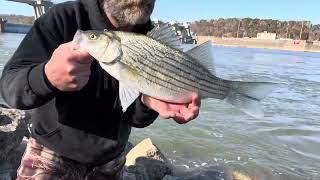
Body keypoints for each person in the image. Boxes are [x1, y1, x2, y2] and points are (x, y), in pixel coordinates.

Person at [0, 0, 200, 179]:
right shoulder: (62, 17)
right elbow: (10, 89)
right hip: (49, 154)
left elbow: (135, 119)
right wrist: (46, 76)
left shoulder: (153, 40)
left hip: (112, 161)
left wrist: (147, 103)